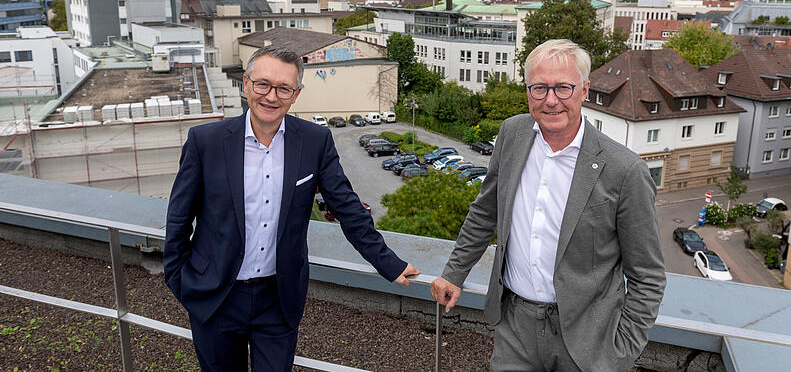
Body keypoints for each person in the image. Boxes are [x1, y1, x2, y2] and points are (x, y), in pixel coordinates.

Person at [164, 47, 419, 371]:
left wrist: (389, 263)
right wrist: (178, 280)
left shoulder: (315, 141)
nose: (272, 96)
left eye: (283, 88)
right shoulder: (206, 141)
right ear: (246, 84)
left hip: (278, 299)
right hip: (215, 297)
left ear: (295, 94)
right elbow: (179, 216)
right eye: (263, 85)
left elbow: (348, 208)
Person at [431, 39, 665, 371]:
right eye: (539, 88)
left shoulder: (624, 170)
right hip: (515, 328)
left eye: (563, 88)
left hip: (589, 339)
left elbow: (648, 275)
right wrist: (454, 273)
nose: (551, 100)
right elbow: (486, 211)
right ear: (528, 92)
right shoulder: (512, 135)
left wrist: (620, 353)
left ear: (584, 91)